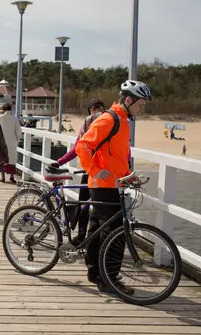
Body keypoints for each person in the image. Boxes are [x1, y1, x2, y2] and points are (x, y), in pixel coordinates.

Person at [76, 80, 152, 294]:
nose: (142, 108)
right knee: (115, 232)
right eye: (141, 104)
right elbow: (83, 145)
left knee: (97, 229)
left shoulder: (123, 120)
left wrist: (128, 176)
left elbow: (115, 157)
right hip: (102, 185)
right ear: (128, 100)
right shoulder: (109, 118)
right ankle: (109, 279)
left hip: (111, 184)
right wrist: (93, 169)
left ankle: (94, 273)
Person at [50, 98, 106, 245]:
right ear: (89, 113)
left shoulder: (108, 127)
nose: (97, 111)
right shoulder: (86, 128)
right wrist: (59, 162)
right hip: (90, 172)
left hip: (105, 175)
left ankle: (99, 240)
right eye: (94, 109)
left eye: (100, 108)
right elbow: (76, 149)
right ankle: (81, 237)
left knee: (100, 209)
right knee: (83, 208)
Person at [0, 103, 22, 184]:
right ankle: (12, 177)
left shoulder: (0, 117)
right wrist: (17, 141)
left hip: (1, 141)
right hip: (12, 141)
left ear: (3, 109)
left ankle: (3, 177)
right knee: (11, 160)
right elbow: (18, 132)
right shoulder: (14, 118)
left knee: (2, 159)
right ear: (11, 109)